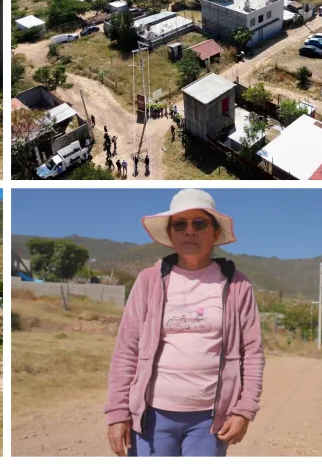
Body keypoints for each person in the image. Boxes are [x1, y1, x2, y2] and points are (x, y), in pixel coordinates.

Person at [105, 189, 265, 457]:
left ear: (215, 234)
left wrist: (244, 410)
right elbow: (127, 350)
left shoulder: (237, 284)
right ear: (170, 234)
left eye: (199, 224)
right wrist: (118, 412)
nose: (189, 231)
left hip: (210, 421)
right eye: (180, 224)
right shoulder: (148, 280)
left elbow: (252, 353)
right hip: (151, 416)